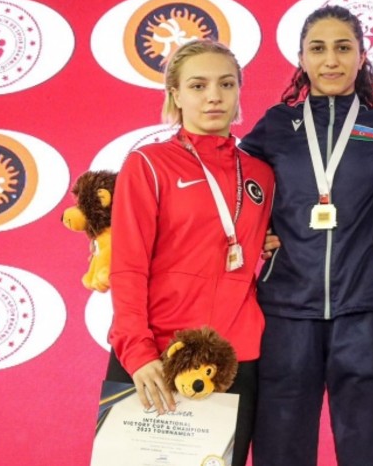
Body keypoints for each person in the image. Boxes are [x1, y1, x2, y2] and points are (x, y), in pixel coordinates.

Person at [239, 5, 373, 466]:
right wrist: (257, 234)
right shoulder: (276, 126)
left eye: (343, 48)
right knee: (281, 448)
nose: (331, 60)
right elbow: (235, 189)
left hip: (364, 311)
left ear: (362, 56)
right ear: (301, 58)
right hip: (287, 309)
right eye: (318, 49)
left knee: (371, 449)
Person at [107, 39, 274, 466]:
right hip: (158, 354)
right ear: (176, 95)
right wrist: (137, 351)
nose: (214, 96)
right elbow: (127, 267)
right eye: (198, 86)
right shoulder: (148, 164)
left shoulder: (261, 174)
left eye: (226, 84)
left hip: (234, 359)